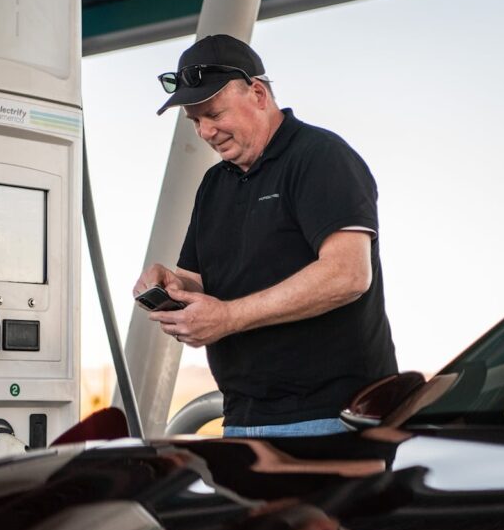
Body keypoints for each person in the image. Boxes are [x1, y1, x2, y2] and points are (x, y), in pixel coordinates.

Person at [134, 34, 397, 437]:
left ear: (257, 93)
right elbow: (201, 279)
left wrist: (228, 318)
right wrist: (173, 286)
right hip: (242, 417)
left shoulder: (319, 156)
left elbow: (348, 274)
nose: (205, 132)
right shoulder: (213, 184)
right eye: (195, 121)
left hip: (332, 417)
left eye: (213, 114)